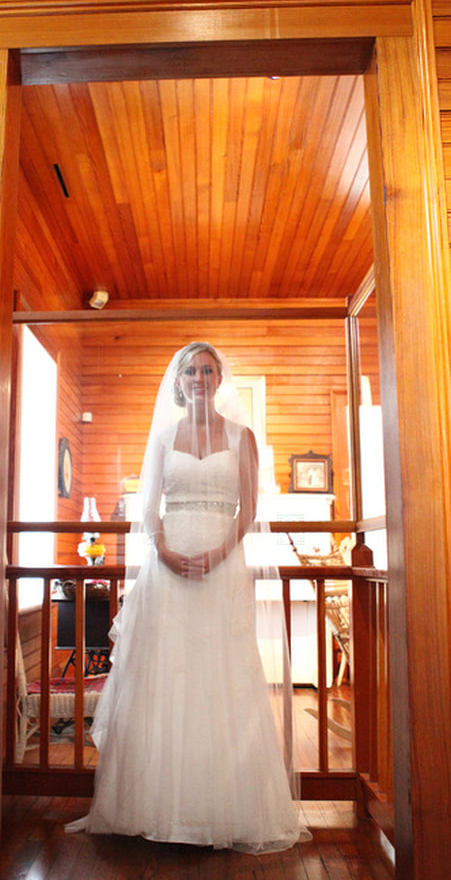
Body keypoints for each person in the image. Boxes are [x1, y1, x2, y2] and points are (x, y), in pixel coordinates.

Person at [66, 342, 308, 852]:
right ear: (178, 381)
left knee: (220, 674)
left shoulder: (242, 437)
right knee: (165, 673)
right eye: (191, 371)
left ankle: (222, 806)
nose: (199, 377)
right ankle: (155, 805)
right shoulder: (162, 437)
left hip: (221, 567)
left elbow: (249, 508)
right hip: (169, 570)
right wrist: (165, 552)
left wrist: (221, 552)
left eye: (207, 370)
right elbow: (146, 508)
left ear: (220, 379)